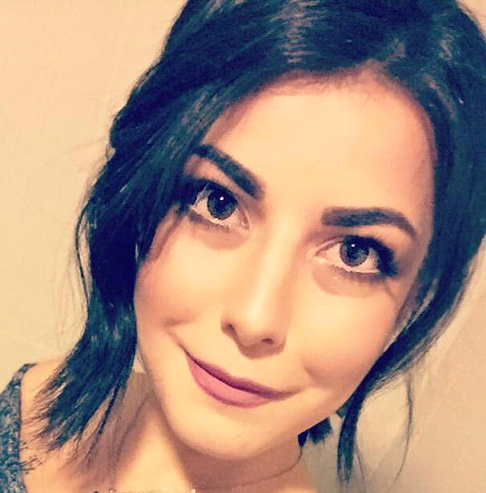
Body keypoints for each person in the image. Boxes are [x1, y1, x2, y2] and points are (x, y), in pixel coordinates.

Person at [1, 0, 485, 492]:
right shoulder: (30, 403)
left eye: (354, 252)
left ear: (418, 296)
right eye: (218, 203)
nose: (256, 320)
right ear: (145, 193)